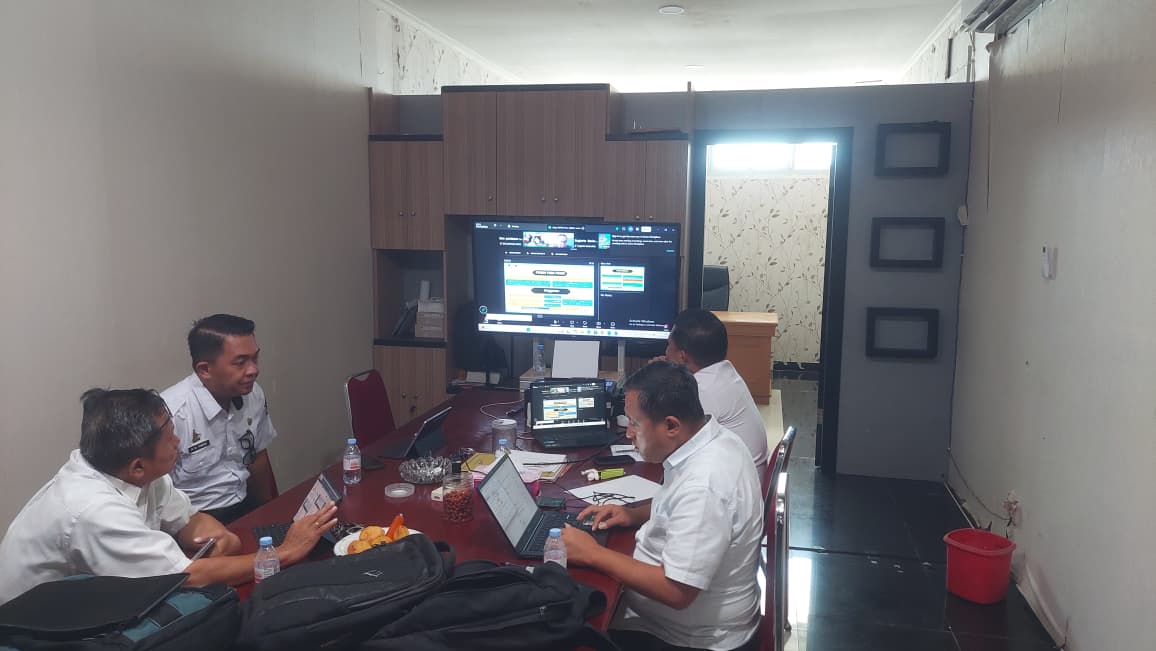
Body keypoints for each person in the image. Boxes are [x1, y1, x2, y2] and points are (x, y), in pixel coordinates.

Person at [0, 389, 336, 605]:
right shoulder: (92, 509)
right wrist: (285, 552)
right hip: (33, 629)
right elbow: (188, 576)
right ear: (137, 466)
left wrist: (217, 539)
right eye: (170, 437)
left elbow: (191, 520)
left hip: (90, 602)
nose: (178, 442)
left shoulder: (132, 471)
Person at [562, 362, 762, 651]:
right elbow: (681, 509)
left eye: (634, 423)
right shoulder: (715, 439)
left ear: (671, 426)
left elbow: (676, 591)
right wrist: (633, 514)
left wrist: (592, 554)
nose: (628, 433)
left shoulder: (705, 484)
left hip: (688, 640)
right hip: (679, 622)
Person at [162, 314, 279, 523]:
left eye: (255, 358)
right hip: (193, 518)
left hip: (243, 501)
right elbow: (156, 493)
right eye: (240, 363)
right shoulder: (171, 413)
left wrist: (269, 512)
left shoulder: (252, 393)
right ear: (205, 370)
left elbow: (258, 456)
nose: (254, 370)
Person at [661, 308, 769, 477]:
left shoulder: (703, 390)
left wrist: (656, 377)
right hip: (741, 476)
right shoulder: (723, 372)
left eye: (669, 345)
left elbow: (671, 444)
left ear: (682, 356)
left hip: (731, 485)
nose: (666, 353)